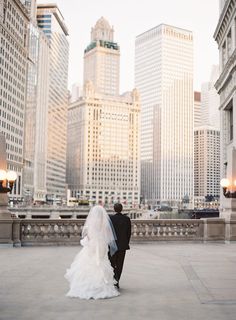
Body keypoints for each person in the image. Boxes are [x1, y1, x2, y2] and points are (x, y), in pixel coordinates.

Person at [64, 205, 120, 299]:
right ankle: (102, 286)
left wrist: (90, 240)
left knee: (89, 263)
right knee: (101, 262)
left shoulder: (91, 223)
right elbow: (107, 236)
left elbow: (88, 235)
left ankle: (87, 286)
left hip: (92, 245)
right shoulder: (104, 223)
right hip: (101, 244)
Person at [109, 203, 131, 289]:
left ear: (114, 209)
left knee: (112, 263)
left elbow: (108, 232)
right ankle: (117, 281)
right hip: (123, 245)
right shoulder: (127, 219)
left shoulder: (110, 219)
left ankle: (113, 280)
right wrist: (126, 242)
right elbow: (128, 233)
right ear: (122, 209)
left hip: (112, 245)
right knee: (120, 264)